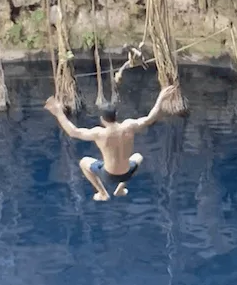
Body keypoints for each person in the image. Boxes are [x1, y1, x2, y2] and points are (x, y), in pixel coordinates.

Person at [44, 84, 177, 201]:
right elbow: (150, 118)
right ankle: (120, 189)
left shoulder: (100, 133)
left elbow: (74, 132)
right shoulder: (129, 126)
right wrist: (161, 97)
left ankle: (102, 193)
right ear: (116, 114)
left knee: (83, 162)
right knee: (138, 157)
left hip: (108, 175)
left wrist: (58, 113)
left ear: (102, 119)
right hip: (127, 173)